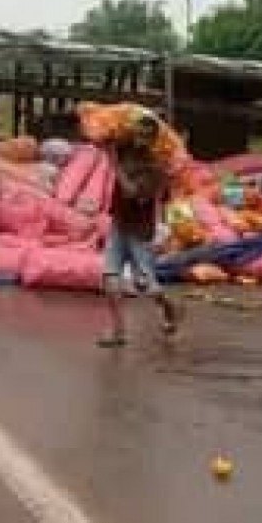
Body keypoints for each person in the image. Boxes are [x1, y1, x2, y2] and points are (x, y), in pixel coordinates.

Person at [97, 111, 183, 348]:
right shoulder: (126, 150)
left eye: (145, 136)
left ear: (153, 140)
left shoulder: (155, 168)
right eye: (137, 133)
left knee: (145, 284)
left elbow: (132, 192)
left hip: (140, 232)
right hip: (119, 224)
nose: (140, 139)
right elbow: (102, 137)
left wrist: (114, 164)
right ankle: (118, 331)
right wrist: (109, 139)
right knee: (110, 277)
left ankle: (170, 308)